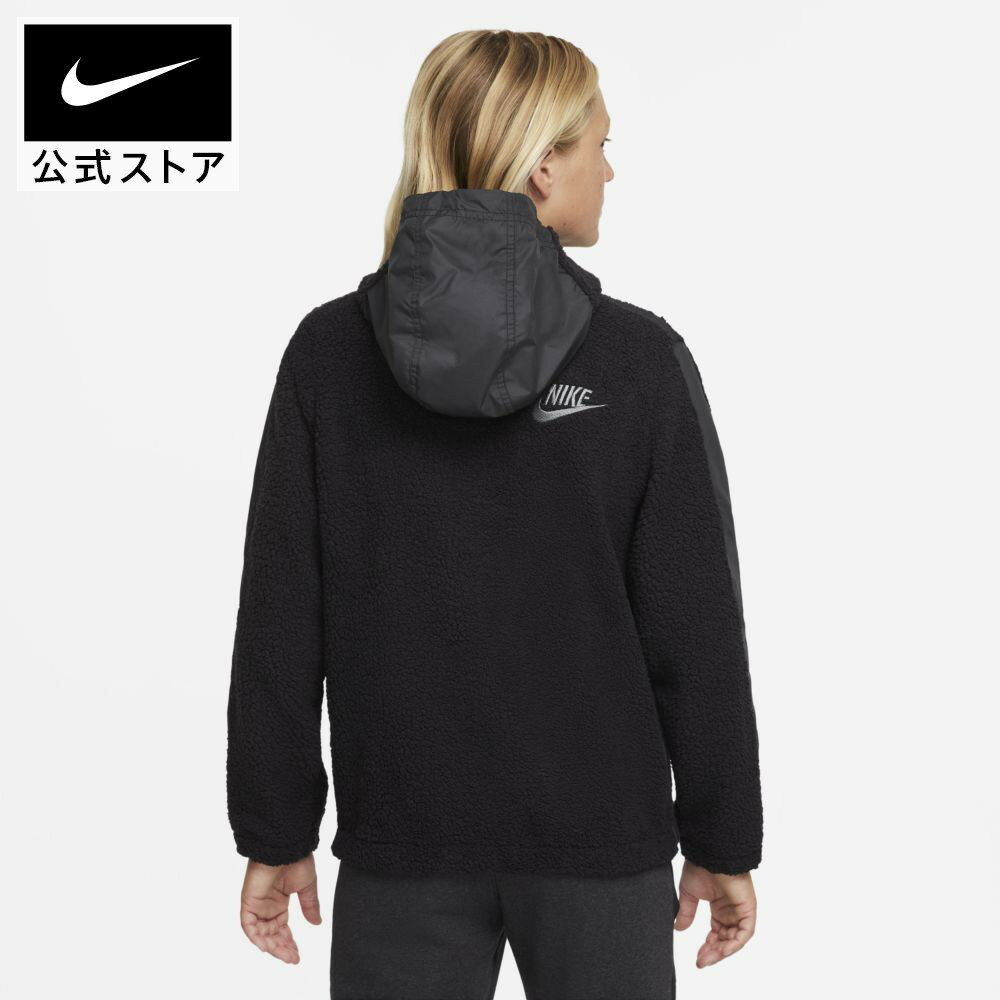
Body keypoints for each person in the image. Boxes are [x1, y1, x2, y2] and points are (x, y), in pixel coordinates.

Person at [226, 28, 763, 1000]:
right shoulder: (637, 360)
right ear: (543, 165)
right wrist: (723, 838)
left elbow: (280, 617)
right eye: (599, 143)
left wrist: (274, 828)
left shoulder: (329, 355)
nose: (611, 168)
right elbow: (694, 622)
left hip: (401, 845)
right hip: (601, 849)